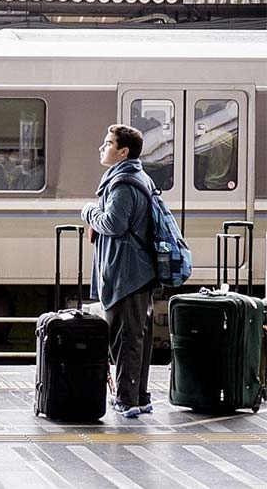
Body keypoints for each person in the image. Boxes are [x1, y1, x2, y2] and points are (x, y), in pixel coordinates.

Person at [81, 124, 157, 418]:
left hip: (127, 273)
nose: (103, 148)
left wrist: (89, 211)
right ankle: (139, 396)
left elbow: (113, 224)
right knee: (135, 336)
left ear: (123, 151)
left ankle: (127, 400)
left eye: (108, 143)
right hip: (136, 270)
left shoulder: (124, 183)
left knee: (125, 338)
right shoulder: (136, 177)